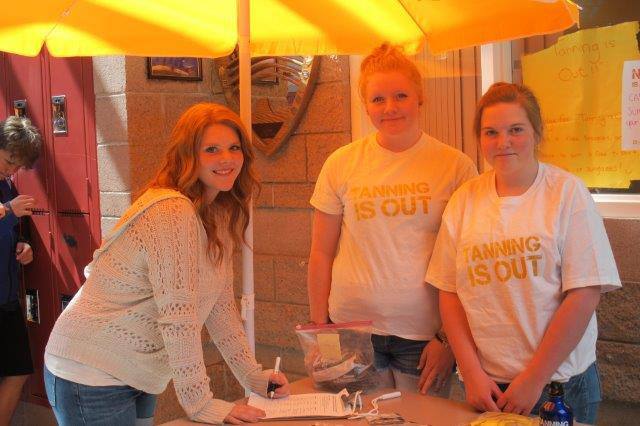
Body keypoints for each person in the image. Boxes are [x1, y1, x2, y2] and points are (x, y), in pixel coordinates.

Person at [44, 103, 290, 425]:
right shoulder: (172, 211)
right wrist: (201, 405)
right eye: (211, 150)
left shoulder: (217, 213)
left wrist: (254, 377)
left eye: (234, 148)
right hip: (90, 370)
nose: (227, 159)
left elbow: (220, 309)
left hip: (140, 374)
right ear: (188, 155)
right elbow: (179, 318)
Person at [425, 82, 621, 424]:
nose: (503, 143)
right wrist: (470, 372)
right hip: (487, 387)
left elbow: (585, 293)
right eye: (491, 132)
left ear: (537, 132)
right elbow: (449, 292)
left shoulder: (566, 193)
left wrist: (534, 378)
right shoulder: (464, 201)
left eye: (516, 129)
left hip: (558, 385)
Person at [307, 44, 477, 394]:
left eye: (400, 95)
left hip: (423, 334)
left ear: (420, 97)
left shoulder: (455, 166)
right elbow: (321, 253)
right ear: (365, 105)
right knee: (356, 420)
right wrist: (321, 329)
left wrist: (449, 340)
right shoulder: (341, 163)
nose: (390, 107)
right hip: (351, 330)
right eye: (378, 99)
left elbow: (469, 264)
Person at [0, 116, 41, 426]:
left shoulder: (6, 185)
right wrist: (7, 212)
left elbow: (14, 230)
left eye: (16, 166)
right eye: (8, 161)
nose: (11, 170)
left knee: (18, 371)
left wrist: (24, 246)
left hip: (6, 296)